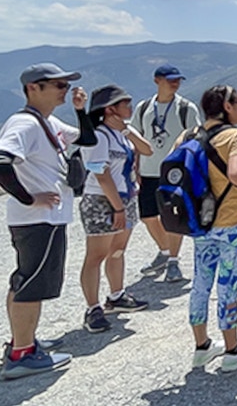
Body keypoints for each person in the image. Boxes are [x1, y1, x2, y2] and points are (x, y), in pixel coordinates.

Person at [0, 63, 94, 380]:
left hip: (42, 219)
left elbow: (85, 138)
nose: (64, 89)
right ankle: (22, 354)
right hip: (38, 219)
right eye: (58, 85)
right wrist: (29, 197)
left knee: (23, 281)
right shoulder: (24, 124)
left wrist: (80, 109)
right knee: (32, 286)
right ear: (34, 87)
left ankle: (24, 341)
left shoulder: (46, 121)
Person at [185, 85, 237, 372]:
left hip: (201, 223)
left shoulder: (189, 136)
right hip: (233, 223)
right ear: (227, 106)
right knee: (228, 285)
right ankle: (233, 349)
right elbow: (235, 173)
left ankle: (202, 346)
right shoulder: (236, 136)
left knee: (200, 283)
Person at [79, 85, 154, 332]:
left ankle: (116, 295)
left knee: (118, 250)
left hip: (125, 196)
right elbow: (101, 175)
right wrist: (118, 208)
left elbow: (147, 149)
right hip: (103, 200)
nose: (130, 106)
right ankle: (92, 308)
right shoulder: (98, 136)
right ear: (110, 109)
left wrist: (127, 131)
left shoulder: (121, 133)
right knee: (96, 255)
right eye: (125, 102)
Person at [131, 64, 200, 283]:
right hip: (149, 170)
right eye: (170, 79)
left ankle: (173, 261)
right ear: (156, 80)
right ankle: (164, 251)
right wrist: (135, 167)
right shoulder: (143, 108)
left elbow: (195, 137)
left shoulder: (186, 108)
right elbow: (135, 137)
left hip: (174, 172)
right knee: (148, 216)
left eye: (178, 79)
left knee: (172, 217)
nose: (175, 83)